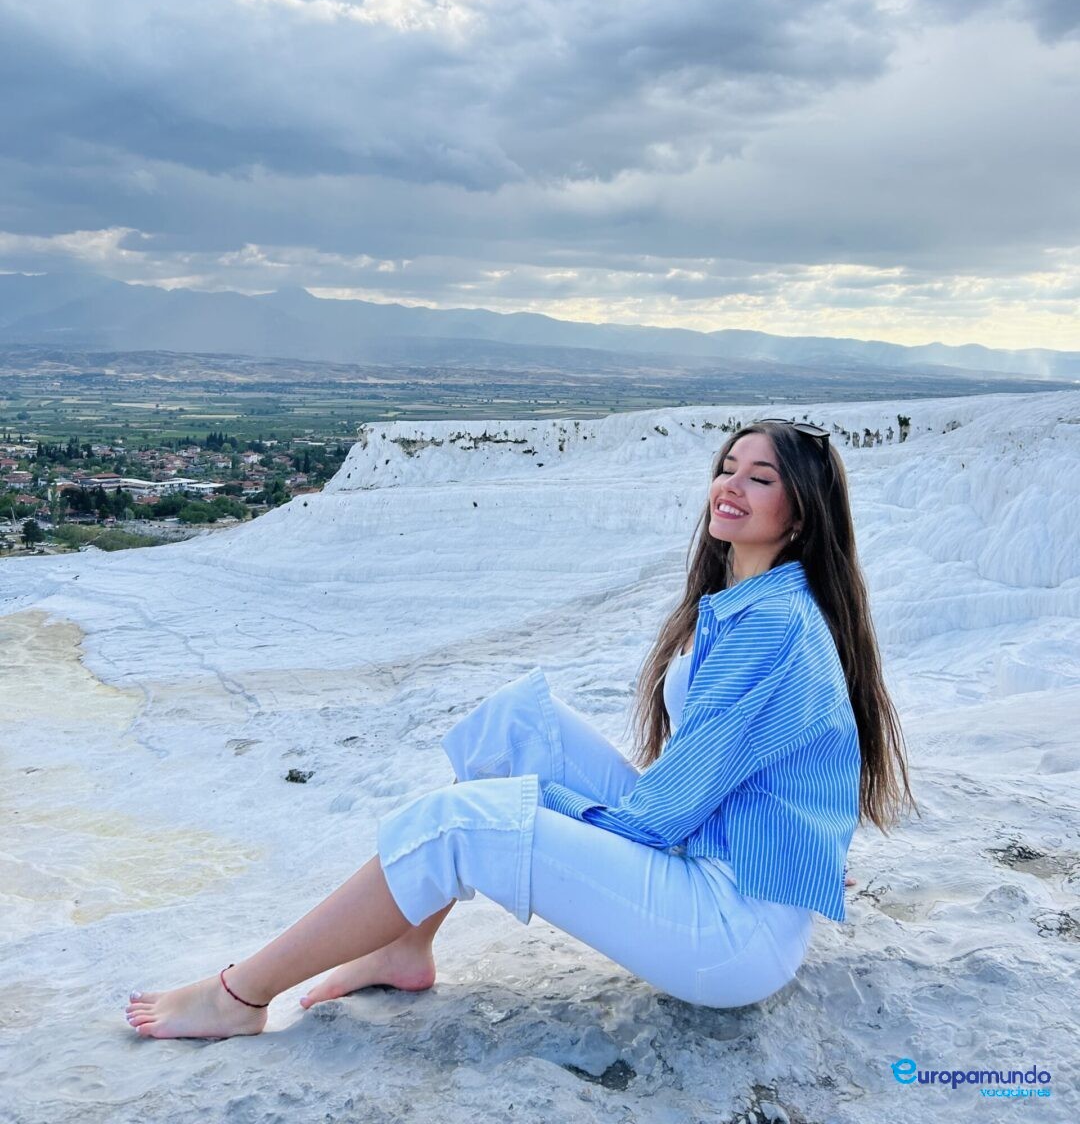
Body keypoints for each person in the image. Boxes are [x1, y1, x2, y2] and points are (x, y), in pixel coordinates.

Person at [125, 417, 916, 1039]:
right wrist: (806, 849)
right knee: (511, 727)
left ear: (802, 512)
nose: (729, 485)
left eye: (761, 476)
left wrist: (532, 805)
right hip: (724, 864)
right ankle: (403, 946)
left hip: (729, 933)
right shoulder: (756, 600)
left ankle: (240, 994)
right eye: (726, 468)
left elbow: (662, 815)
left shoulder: (771, 624)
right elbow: (790, 768)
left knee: (462, 827)